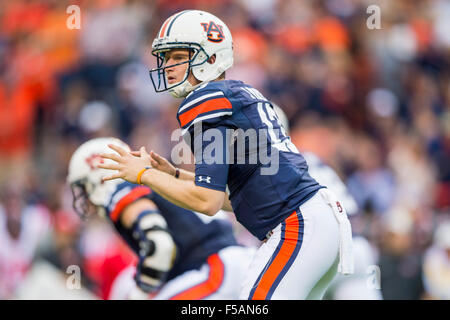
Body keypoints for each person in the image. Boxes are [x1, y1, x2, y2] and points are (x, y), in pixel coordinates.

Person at [99, 10, 354, 300]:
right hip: (319, 221)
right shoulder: (236, 93)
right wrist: (173, 175)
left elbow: (207, 202)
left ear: (210, 57)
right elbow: (229, 199)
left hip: (299, 225)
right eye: (166, 57)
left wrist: (144, 175)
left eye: (177, 56)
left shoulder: (204, 100)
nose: (167, 66)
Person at [67, 137, 255, 299]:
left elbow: (159, 245)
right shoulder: (154, 180)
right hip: (241, 264)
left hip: (215, 272)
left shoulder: (120, 191)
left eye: (83, 187)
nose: (84, 196)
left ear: (99, 177)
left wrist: (138, 294)